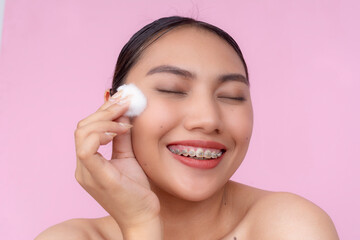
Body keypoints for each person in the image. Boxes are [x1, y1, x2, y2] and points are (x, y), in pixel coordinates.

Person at [35, 16, 339, 240]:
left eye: (231, 96)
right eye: (171, 89)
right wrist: (141, 225)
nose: (208, 119)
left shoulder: (289, 226)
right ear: (115, 108)